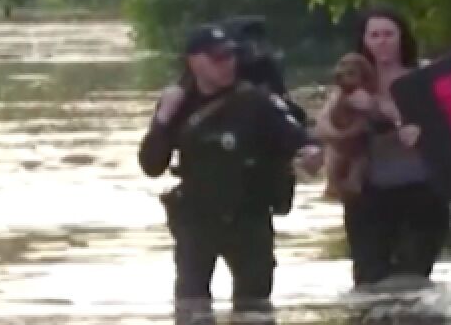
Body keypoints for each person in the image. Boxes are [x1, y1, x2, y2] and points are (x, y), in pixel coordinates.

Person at [138, 24, 322, 301]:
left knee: (255, 308)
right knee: (191, 308)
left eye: (230, 57)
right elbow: (151, 166)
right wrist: (163, 119)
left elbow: (298, 137)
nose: (226, 65)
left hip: (249, 217)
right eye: (217, 58)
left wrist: (310, 152)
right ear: (194, 62)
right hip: (196, 219)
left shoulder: (256, 101)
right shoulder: (179, 103)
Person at [314, 6, 450, 288]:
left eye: (388, 34)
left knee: (411, 281)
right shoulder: (350, 82)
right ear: (364, 41)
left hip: (422, 193)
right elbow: (322, 127)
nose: (382, 41)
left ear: (402, 38)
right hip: (368, 196)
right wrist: (346, 124)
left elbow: (445, 125)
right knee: (368, 284)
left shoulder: (423, 77)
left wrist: (378, 108)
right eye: (374, 35)